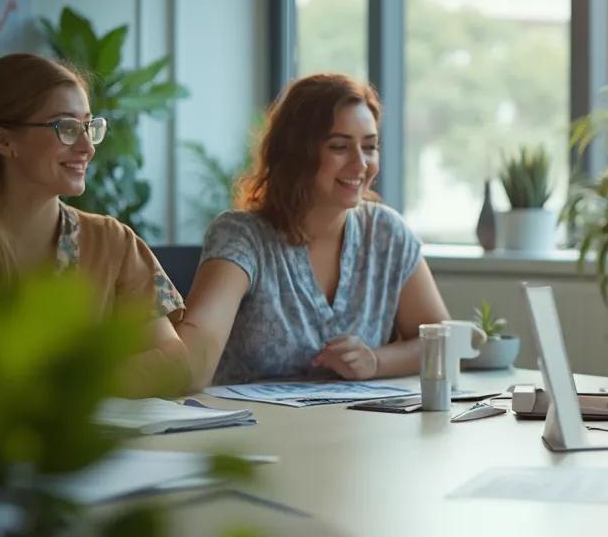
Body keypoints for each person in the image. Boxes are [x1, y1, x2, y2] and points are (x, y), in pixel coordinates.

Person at [0, 53, 189, 396]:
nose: (86, 147)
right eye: (66, 128)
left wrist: (68, 390)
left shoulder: (113, 243)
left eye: (90, 127)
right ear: (3, 141)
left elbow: (176, 363)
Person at [174, 74, 451, 389]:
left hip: (358, 432)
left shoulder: (386, 233)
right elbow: (194, 360)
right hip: (255, 434)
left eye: (370, 146)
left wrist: (375, 361)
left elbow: (441, 340)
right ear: (297, 152)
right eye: (339, 146)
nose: (361, 163)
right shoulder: (242, 236)